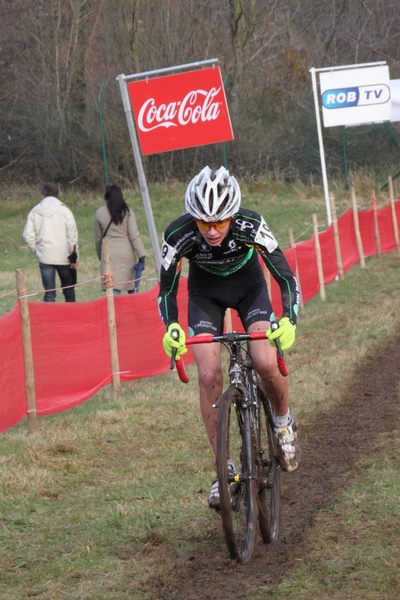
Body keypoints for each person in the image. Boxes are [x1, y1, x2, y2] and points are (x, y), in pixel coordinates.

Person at [158, 166, 301, 510]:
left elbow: (284, 276)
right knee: (208, 373)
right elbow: (166, 289)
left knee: (267, 361)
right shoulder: (178, 233)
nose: (210, 230)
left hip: (250, 287)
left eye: (219, 222)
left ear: (233, 216)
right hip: (204, 294)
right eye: (202, 222)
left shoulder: (251, 224)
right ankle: (223, 469)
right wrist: (172, 327)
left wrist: (288, 319)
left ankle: (282, 423)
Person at [23, 182, 78, 302]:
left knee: (49, 292)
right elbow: (72, 236)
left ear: (43, 195)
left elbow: (28, 236)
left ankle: (49, 319)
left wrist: (36, 251)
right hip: (64, 256)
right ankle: (73, 316)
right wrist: (74, 257)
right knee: (68, 289)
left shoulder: (34, 211)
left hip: (45, 256)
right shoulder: (65, 211)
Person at [94, 185, 146, 294]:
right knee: (132, 287)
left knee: (113, 289)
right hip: (126, 253)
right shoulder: (127, 212)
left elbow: (98, 239)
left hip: (109, 253)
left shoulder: (99, 213)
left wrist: (100, 255)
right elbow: (134, 235)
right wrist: (141, 255)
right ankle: (133, 310)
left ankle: (115, 311)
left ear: (106, 197)